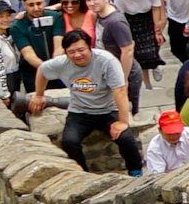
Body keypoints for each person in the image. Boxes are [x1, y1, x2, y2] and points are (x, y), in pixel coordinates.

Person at [35, 28, 131, 174]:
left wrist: (123, 121)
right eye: (71, 52)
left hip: (108, 110)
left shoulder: (106, 61)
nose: (77, 55)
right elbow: (42, 70)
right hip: (80, 111)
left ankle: (135, 170)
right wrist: (39, 94)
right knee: (69, 141)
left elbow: (120, 90)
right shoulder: (61, 63)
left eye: (81, 50)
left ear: (90, 47)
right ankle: (82, 172)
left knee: (126, 138)